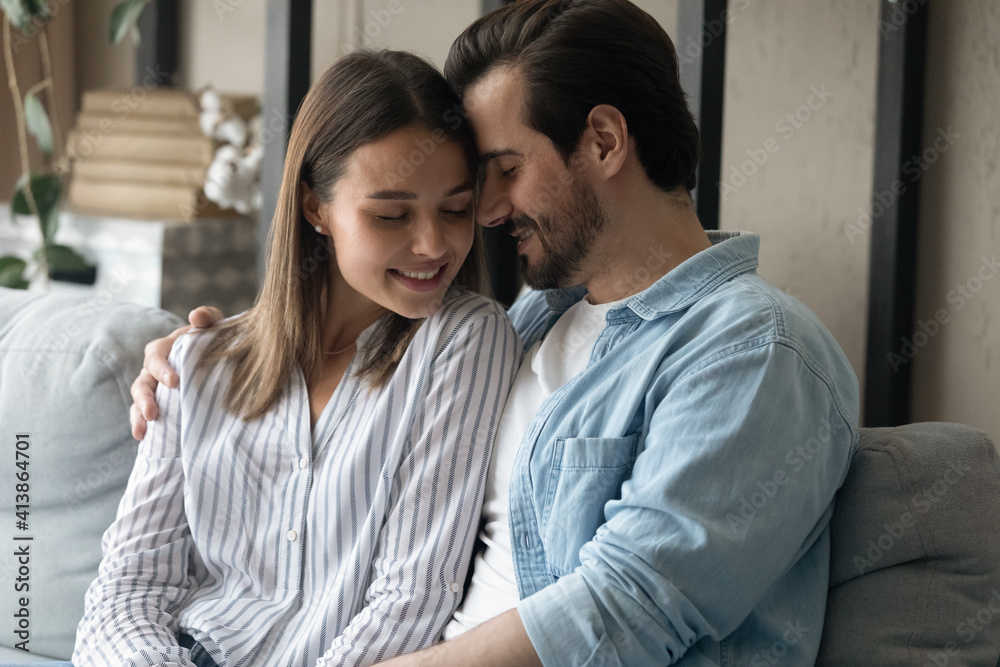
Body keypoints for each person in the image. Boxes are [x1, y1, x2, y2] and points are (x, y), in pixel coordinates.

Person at [132, 1, 860, 665]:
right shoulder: (532, 324)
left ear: (604, 141)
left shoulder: (755, 349)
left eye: (505, 169)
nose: (482, 213)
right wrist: (209, 352)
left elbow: (626, 612)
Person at [60, 49, 519, 667]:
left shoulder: (463, 342)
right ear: (315, 209)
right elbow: (126, 591)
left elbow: (411, 599)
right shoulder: (195, 362)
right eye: (391, 214)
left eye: (456, 209)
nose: (434, 243)